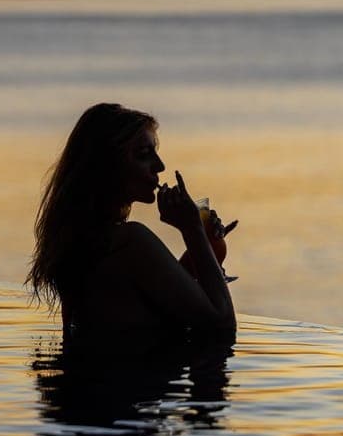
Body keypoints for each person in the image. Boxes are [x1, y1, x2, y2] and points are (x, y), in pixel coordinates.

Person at [26, 103, 237, 353]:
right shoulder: (130, 241)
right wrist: (192, 230)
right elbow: (222, 325)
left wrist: (204, 246)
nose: (159, 166)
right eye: (144, 154)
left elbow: (156, 300)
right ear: (108, 167)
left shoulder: (83, 242)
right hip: (139, 387)